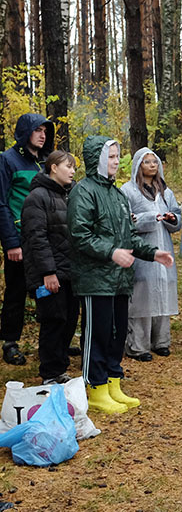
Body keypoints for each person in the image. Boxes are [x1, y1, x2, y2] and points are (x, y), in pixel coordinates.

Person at [68, 136, 174, 414]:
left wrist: (153, 253)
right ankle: (95, 387)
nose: (116, 162)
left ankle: (113, 382)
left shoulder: (116, 195)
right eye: (111, 157)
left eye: (117, 157)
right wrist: (112, 252)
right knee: (98, 334)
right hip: (95, 279)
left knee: (116, 335)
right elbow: (80, 236)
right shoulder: (84, 191)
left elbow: (128, 236)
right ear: (97, 159)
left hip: (120, 279)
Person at [0, 113, 54, 366]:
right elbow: (1, 203)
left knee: (45, 290)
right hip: (19, 240)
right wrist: (11, 242)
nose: (43, 135)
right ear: (25, 132)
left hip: (43, 238)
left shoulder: (44, 162)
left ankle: (51, 339)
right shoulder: (7, 160)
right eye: (37, 130)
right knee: (16, 292)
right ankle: (10, 342)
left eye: (45, 130)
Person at [21, 150, 78, 385]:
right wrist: (48, 272)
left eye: (74, 167)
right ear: (53, 167)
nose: (73, 171)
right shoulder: (37, 197)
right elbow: (37, 238)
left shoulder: (69, 196)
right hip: (48, 274)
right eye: (68, 166)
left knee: (69, 319)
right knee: (53, 320)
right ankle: (50, 373)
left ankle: (60, 368)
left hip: (70, 272)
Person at [121, 148, 182, 361]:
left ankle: (161, 341)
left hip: (163, 249)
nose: (152, 165)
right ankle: (138, 345)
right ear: (138, 165)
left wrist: (172, 218)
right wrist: (149, 218)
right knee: (142, 295)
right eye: (147, 162)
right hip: (142, 251)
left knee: (164, 291)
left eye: (154, 161)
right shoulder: (127, 190)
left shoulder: (165, 190)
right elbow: (126, 221)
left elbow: (177, 216)